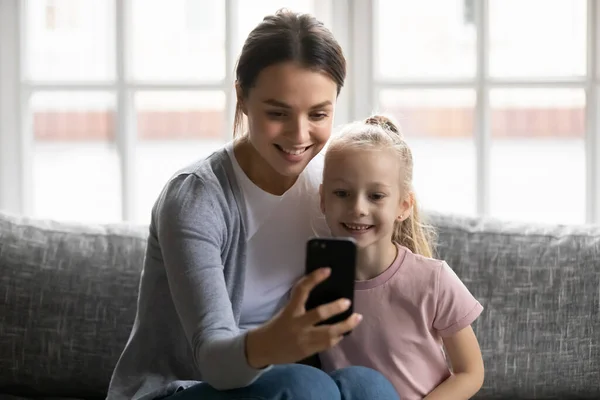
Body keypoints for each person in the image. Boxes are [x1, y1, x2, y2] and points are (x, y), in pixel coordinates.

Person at [105, 9, 400, 400]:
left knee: (368, 385)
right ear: (243, 98)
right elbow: (211, 357)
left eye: (318, 114)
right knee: (304, 386)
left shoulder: (330, 190)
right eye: (278, 113)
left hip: (288, 384)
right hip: (183, 387)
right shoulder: (195, 199)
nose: (299, 136)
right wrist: (272, 344)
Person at [317, 115, 485, 400]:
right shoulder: (314, 285)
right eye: (342, 193)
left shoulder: (433, 280)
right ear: (323, 199)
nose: (358, 207)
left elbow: (470, 372)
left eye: (376, 196)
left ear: (403, 205)